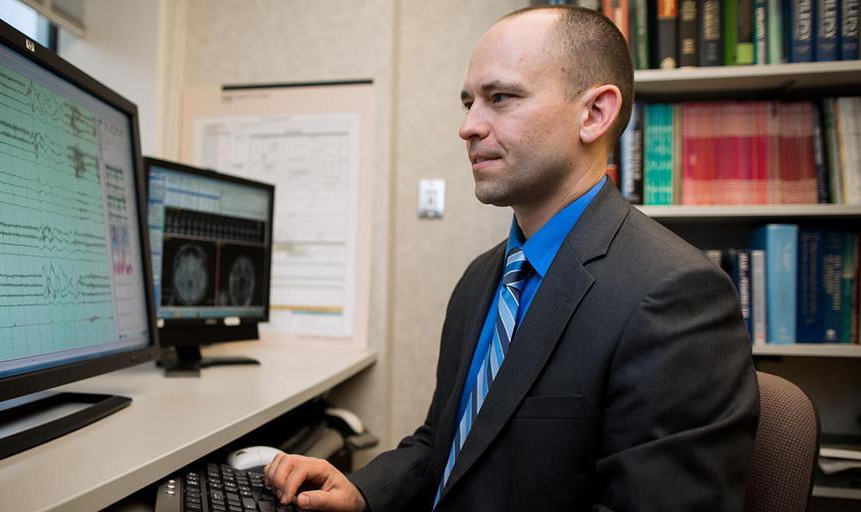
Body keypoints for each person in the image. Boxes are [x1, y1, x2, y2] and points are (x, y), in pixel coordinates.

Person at [264, 6, 760, 511]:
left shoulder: (676, 295)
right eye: (468, 103)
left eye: (500, 98)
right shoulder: (482, 278)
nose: (467, 127)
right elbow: (444, 443)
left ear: (594, 114)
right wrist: (362, 491)